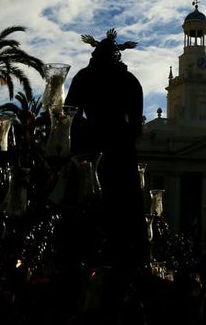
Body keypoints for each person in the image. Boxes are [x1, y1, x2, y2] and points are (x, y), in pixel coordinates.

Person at [64, 28, 149, 274]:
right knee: (124, 211)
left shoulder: (85, 77)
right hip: (118, 150)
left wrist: (82, 135)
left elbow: (69, 116)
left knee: (86, 208)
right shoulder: (130, 81)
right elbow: (136, 126)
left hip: (92, 149)